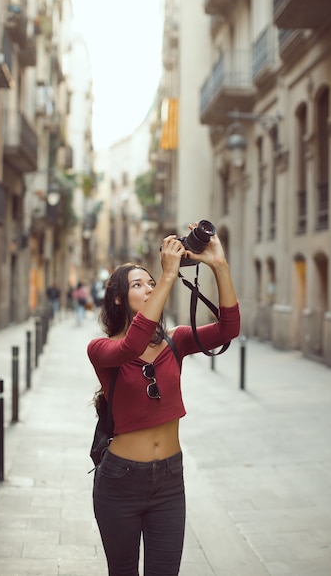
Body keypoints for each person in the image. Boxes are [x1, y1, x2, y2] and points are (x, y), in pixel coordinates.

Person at [87, 223, 240, 576]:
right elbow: (132, 345)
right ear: (118, 299)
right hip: (120, 481)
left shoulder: (176, 340)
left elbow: (228, 329)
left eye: (151, 282)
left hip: (170, 480)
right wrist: (168, 276)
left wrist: (220, 266)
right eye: (137, 285)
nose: (149, 287)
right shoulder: (101, 349)